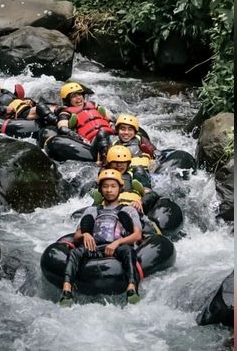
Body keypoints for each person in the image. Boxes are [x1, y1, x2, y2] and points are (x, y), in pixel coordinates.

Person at [60, 169, 143, 306]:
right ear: (100, 189)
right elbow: (77, 235)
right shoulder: (92, 210)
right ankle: (67, 290)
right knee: (75, 253)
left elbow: (137, 235)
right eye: (105, 186)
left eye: (113, 186)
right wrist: (86, 234)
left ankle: (132, 288)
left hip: (118, 248)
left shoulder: (128, 210)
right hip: (95, 247)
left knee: (128, 251)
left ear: (120, 189)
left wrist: (117, 243)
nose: (109, 190)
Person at [56, 82, 115, 160]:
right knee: (102, 133)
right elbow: (63, 128)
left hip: (110, 135)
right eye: (74, 96)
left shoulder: (93, 105)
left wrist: (113, 125)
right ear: (67, 100)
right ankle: (104, 160)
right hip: (92, 141)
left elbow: (112, 118)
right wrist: (78, 137)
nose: (79, 98)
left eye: (80, 94)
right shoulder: (66, 112)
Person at [88, 145, 149, 212]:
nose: (119, 165)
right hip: (108, 211)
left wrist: (140, 201)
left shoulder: (135, 175)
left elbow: (151, 194)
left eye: (123, 162)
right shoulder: (103, 177)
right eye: (115, 162)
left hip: (131, 208)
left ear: (128, 164)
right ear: (109, 163)